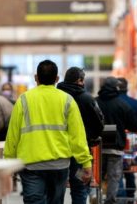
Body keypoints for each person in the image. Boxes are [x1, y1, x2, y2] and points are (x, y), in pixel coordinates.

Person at [4, 60, 93, 204]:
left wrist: (8, 162)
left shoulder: (23, 100)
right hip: (59, 166)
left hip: (30, 164)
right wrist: (86, 163)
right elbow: (77, 136)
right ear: (57, 79)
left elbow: (12, 134)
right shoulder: (67, 100)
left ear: (36, 78)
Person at [58, 67, 105, 204]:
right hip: (80, 151)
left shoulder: (58, 97)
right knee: (79, 187)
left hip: (58, 149)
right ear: (79, 81)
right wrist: (92, 137)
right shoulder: (86, 99)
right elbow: (99, 122)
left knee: (57, 188)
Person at [96, 77, 137, 204]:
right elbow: (134, 126)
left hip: (98, 147)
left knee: (97, 176)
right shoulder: (122, 104)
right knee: (114, 177)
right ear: (115, 88)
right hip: (115, 147)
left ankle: (95, 199)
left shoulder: (95, 102)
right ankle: (110, 201)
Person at [116, 78, 137, 200]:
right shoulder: (136, 103)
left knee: (116, 168)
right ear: (127, 88)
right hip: (133, 144)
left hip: (116, 143)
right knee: (129, 168)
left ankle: (121, 196)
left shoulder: (112, 103)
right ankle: (131, 194)